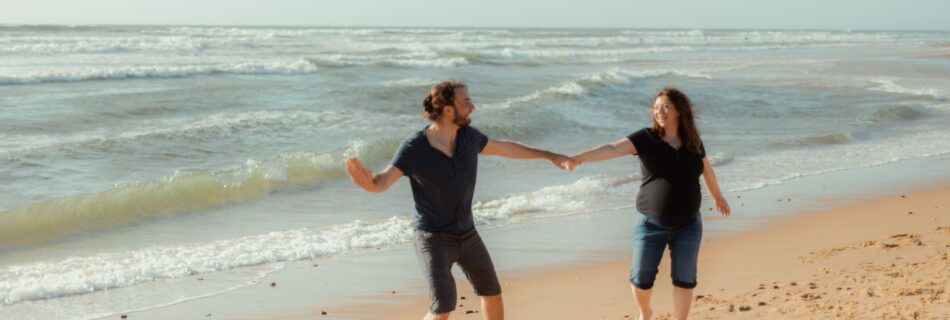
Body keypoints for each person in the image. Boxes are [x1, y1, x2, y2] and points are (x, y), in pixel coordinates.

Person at [344, 81, 571, 320]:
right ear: (448, 110)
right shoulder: (415, 148)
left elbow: (506, 148)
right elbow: (381, 182)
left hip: (467, 233)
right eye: (465, 102)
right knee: (442, 308)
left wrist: (548, 155)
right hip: (433, 238)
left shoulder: (469, 138)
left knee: (492, 292)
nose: (472, 106)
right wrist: (366, 182)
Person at [565, 87, 730, 320]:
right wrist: (579, 158)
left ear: (679, 111)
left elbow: (706, 168)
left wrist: (717, 196)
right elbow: (612, 148)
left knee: (685, 279)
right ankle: (645, 313)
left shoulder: (693, 141)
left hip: (689, 224)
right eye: (656, 108)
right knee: (642, 280)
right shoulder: (646, 138)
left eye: (666, 107)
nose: (659, 111)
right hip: (650, 224)